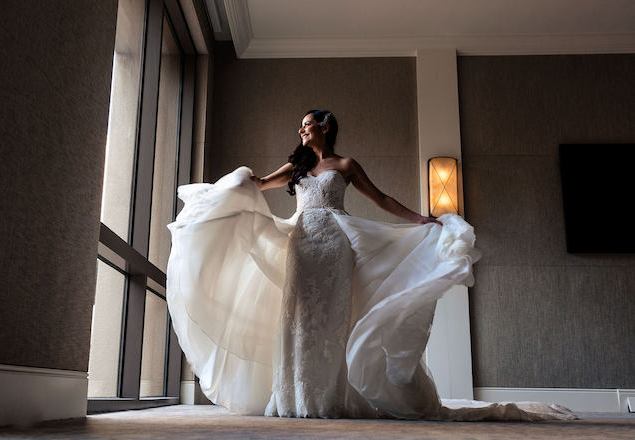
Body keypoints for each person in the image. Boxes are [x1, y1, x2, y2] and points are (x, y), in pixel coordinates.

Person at [166, 110, 574, 421]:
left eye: (307, 125)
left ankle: (326, 398)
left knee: (330, 321)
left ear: (326, 126)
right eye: (300, 127)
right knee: (297, 319)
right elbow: (260, 185)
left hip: (336, 247)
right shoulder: (299, 166)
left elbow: (381, 199)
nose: (302, 131)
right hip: (302, 244)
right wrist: (238, 181)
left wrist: (420, 219)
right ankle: (292, 397)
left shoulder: (345, 166)